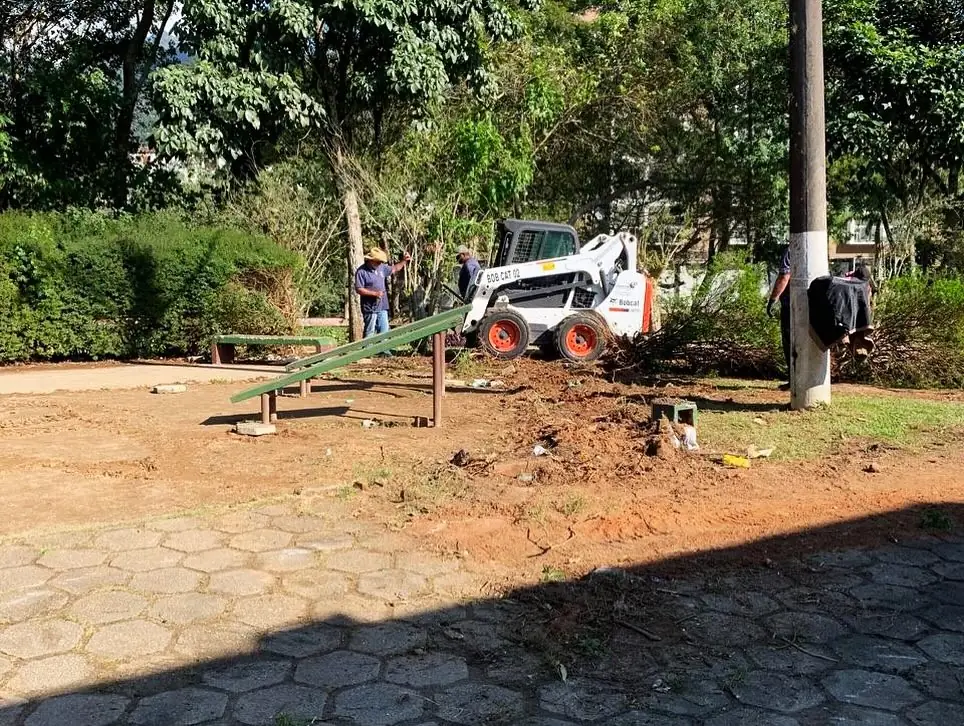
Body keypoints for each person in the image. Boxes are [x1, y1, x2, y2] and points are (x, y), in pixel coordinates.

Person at [354, 247, 411, 338]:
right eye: (378, 261)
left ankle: (384, 346)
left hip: (382, 306)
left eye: (381, 262)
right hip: (370, 308)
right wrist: (375, 294)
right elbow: (359, 289)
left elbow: (395, 268)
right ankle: (368, 346)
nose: (380, 263)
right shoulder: (361, 272)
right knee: (370, 331)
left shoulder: (382, 268)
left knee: (384, 330)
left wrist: (404, 261)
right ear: (371, 260)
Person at [766, 245, 792, 391]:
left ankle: (793, 379)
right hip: (811, 302)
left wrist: (772, 300)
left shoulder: (791, 250)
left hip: (791, 304)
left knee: (789, 342)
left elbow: (784, 276)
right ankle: (797, 379)